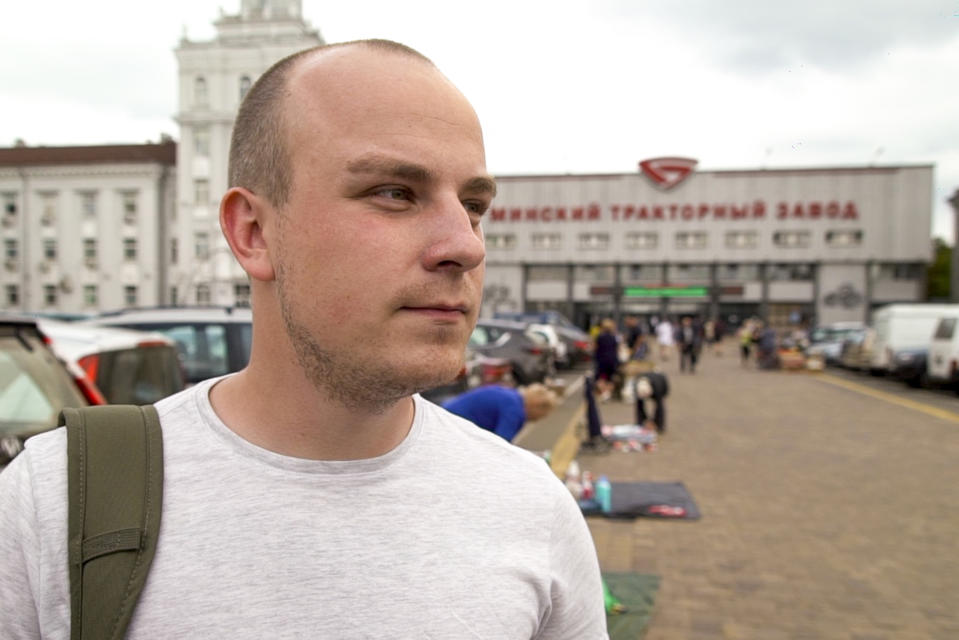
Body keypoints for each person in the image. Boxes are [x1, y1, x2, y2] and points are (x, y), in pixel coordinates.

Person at [0, 40, 608, 639]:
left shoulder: (533, 507)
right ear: (254, 232)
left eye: (473, 205)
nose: (466, 244)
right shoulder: (53, 502)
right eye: (395, 193)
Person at [442, 383, 558, 442]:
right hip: (453, 425)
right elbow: (501, 445)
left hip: (446, 413)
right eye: (541, 416)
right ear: (537, 406)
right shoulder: (515, 411)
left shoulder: (511, 395)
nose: (536, 420)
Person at [593, 318, 621, 401]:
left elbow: (595, 348)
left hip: (602, 361)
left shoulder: (599, 337)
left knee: (601, 378)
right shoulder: (614, 337)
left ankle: (604, 393)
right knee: (610, 378)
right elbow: (617, 349)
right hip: (612, 360)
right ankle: (607, 394)